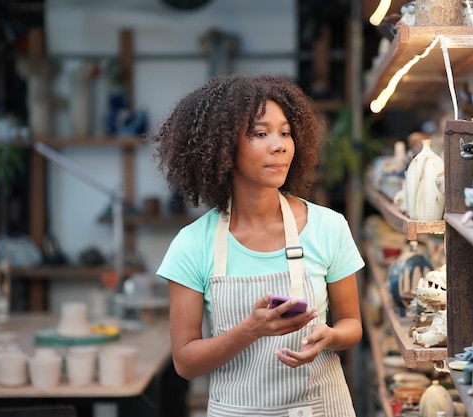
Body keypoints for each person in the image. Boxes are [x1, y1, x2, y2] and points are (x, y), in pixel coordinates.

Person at [151, 73, 364, 416]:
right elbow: (185, 362)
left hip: (319, 408)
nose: (278, 144)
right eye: (260, 134)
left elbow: (351, 323)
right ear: (222, 147)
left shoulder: (328, 227)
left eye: (285, 133)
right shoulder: (192, 244)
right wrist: (251, 330)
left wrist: (331, 337)